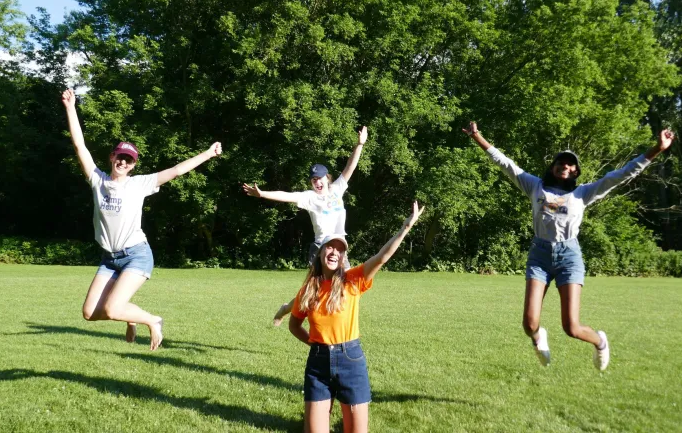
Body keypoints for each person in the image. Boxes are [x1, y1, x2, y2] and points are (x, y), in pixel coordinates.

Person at [463, 121, 674, 370]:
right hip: (540, 255)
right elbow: (506, 163)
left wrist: (657, 149)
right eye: (560, 162)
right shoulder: (534, 186)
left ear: (575, 172)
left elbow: (621, 175)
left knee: (571, 327)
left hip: (568, 257)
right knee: (529, 325)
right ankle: (538, 337)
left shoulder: (583, 193)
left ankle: (600, 342)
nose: (565, 165)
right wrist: (478, 137)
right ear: (552, 167)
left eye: (570, 164)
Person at [62, 88, 222, 350]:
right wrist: (71, 108)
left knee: (113, 309)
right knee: (90, 313)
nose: (123, 162)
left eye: (128, 160)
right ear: (111, 157)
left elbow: (177, 170)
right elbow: (80, 145)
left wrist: (208, 153)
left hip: (136, 254)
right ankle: (131, 318)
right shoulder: (97, 180)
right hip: (109, 258)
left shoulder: (139, 184)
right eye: (119, 157)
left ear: (133, 165)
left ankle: (152, 320)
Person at [288, 201, 423, 433]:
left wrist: (405, 228)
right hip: (318, 364)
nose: (334, 252)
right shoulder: (309, 288)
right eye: (330, 247)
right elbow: (294, 324)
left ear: (343, 257)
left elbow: (381, 257)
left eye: (339, 250)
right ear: (321, 252)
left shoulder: (353, 279)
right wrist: (313, 341)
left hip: (350, 360)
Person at [242, 127, 368, 325]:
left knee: (347, 283)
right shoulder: (308, 198)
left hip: (340, 246)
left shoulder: (337, 190)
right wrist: (263, 194)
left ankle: (337, 319)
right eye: (313, 180)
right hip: (320, 248)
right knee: (314, 290)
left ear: (327, 178)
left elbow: (350, 167)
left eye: (320, 179)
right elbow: (286, 196)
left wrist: (359, 145)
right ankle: (287, 309)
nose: (317, 182)